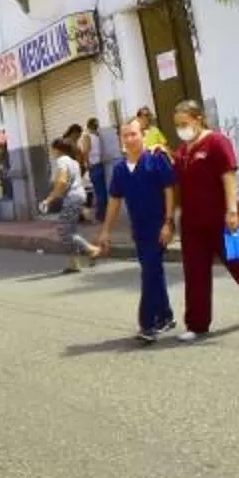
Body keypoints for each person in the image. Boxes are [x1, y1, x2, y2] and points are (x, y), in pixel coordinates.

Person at [168, 99, 239, 337]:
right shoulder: (182, 152)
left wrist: (231, 211)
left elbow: (228, 176)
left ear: (199, 119)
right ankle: (196, 324)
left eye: (184, 123)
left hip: (220, 218)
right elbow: (177, 185)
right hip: (192, 223)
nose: (181, 129)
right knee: (195, 273)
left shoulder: (217, 142)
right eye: (178, 125)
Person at [90, 125, 178, 340]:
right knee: (153, 271)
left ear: (143, 136)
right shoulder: (120, 169)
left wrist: (168, 222)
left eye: (134, 134)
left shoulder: (156, 160)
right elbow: (114, 201)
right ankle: (165, 316)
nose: (130, 139)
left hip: (158, 228)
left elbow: (169, 191)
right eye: (125, 135)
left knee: (149, 272)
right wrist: (106, 231)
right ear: (121, 139)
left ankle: (147, 324)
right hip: (138, 230)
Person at [43, 130, 95, 273]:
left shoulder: (62, 161)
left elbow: (62, 181)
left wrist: (50, 198)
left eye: (52, 149)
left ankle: (91, 249)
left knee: (63, 230)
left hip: (72, 197)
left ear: (57, 149)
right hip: (79, 195)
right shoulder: (73, 161)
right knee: (70, 230)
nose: (51, 152)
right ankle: (74, 263)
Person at [81, 117, 112, 220]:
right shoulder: (97, 136)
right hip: (100, 165)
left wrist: (87, 164)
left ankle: (101, 216)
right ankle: (104, 214)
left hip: (94, 166)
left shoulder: (87, 136)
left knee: (99, 192)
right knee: (102, 191)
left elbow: (85, 151)